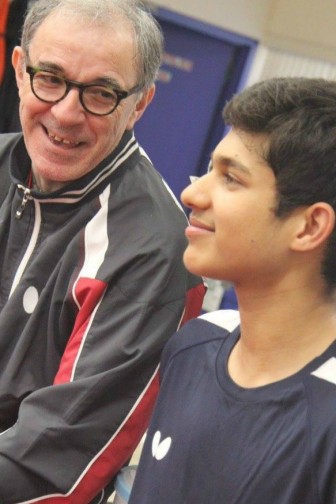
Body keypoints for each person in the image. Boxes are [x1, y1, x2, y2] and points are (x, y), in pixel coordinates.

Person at [0, 0, 205, 502]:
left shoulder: (152, 250)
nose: (66, 113)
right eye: (50, 77)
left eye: (101, 93)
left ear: (140, 104)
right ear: (21, 71)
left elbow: (57, 462)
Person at [129, 77, 336, 504]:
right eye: (209, 169)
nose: (191, 193)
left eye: (231, 179)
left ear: (310, 226)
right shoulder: (196, 343)